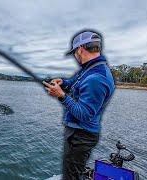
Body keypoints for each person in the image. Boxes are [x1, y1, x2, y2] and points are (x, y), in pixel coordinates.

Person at [43, 30, 115, 180]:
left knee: (71, 176)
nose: (75, 56)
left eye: (75, 52)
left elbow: (84, 114)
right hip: (80, 134)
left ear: (80, 49)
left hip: (81, 136)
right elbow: (75, 83)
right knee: (74, 171)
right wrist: (63, 82)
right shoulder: (90, 68)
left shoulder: (96, 78)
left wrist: (61, 95)